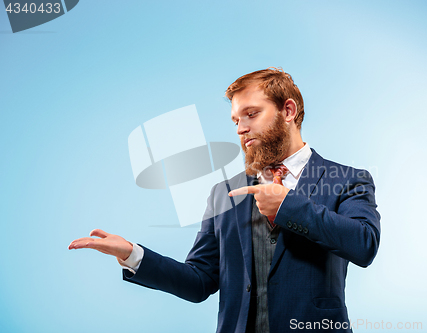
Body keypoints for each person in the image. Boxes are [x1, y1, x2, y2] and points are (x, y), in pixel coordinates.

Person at [69, 68, 381, 333]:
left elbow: (364, 244)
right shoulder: (224, 194)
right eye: (235, 120)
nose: (241, 128)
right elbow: (200, 280)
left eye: (251, 114)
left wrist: (288, 205)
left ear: (288, 111)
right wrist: (134, 255)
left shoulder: (347, 179)